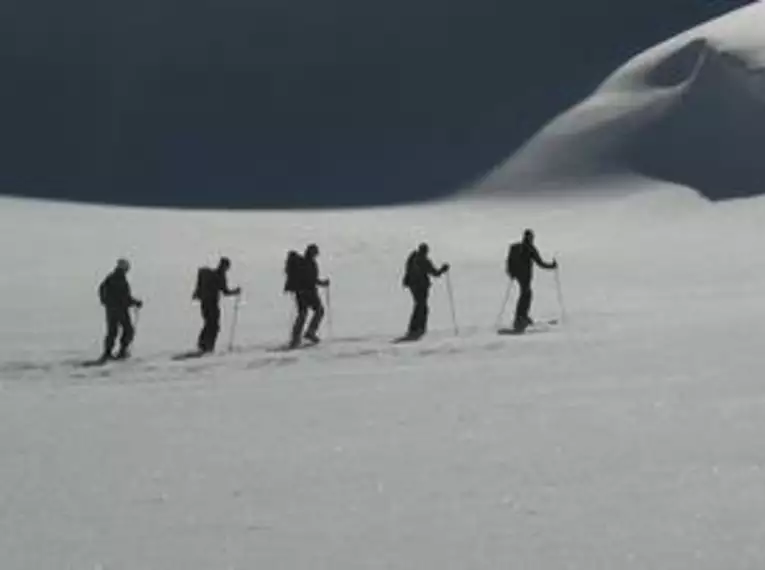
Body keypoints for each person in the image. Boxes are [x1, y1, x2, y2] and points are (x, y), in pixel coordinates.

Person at [506, 229, 557, 332]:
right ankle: (520, 318)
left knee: (525, 294)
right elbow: (540, 263)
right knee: (526, 295)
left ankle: (521, 317)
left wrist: (511, 273)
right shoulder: (530, 248)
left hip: (519, 276)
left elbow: (509, 261)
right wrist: (552, 266)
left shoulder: (515, 247)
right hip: (525, 277)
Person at [192, 257, 241, 353]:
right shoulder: (220, 276)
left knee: (209, 323)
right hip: (212, 304)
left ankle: (203, 345)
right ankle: (208, 346)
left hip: (205, 303)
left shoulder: (213, 275)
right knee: (214, 325)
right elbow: (225, 292)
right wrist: (235, 292)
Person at [98, 258, 143, 362]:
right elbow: (124, 297)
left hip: (111, 310)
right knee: (128, 330)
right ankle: (121, 352)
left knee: (112, 331)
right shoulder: (119, 279)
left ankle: (108, 353)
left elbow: (102, 292)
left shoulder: (110, 278)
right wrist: (135, 302)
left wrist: (107, 303)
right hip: (120, 310)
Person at [285, 244, 330, 348]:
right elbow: (312, 279)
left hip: (299, 292)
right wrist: (322, 283)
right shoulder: (309, 264)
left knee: (303, 313)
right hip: (309, 292)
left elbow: (311, 279)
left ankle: (296, 338)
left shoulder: (303, 263)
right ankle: (310, 332)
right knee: (319, 310)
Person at [402, 243, 450, 339]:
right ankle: (419, 328)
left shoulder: (413, 258)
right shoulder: (423, 261)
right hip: (421, 287)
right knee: (422, 307)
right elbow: (435, 273)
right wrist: (443, 269)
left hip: (413, 286)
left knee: (419, 306)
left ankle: (414, 328)